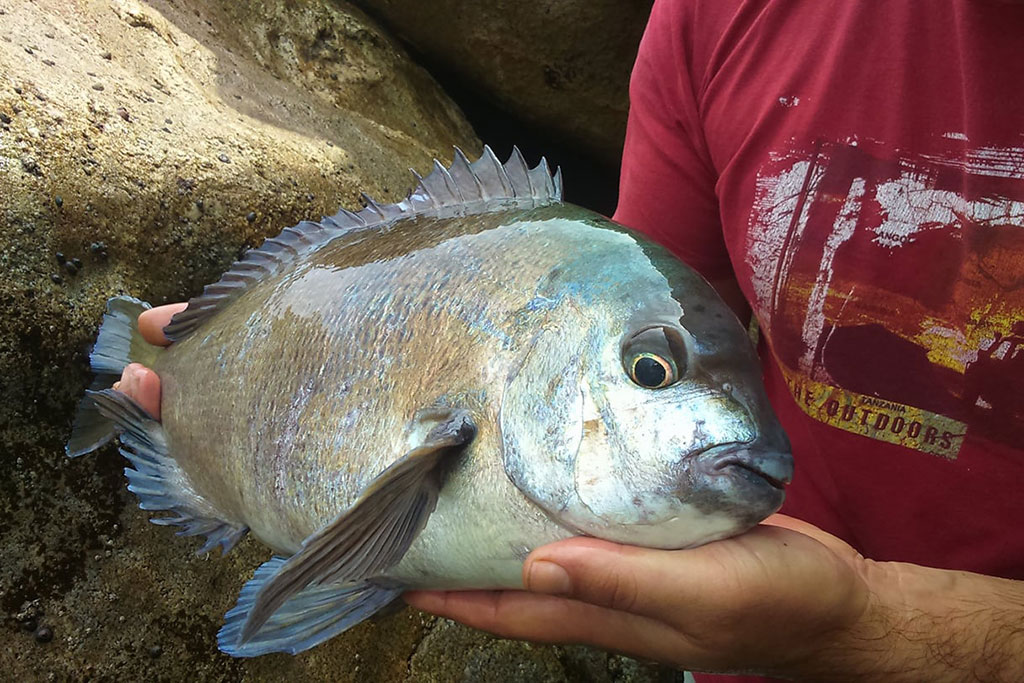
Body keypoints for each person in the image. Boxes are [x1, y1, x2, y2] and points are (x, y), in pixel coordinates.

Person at [115, 1, 1024, 679]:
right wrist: (201, 364)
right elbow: (647, 280)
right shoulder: (728, 15)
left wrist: (868, 627)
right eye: (649, 370)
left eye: (649, 368)